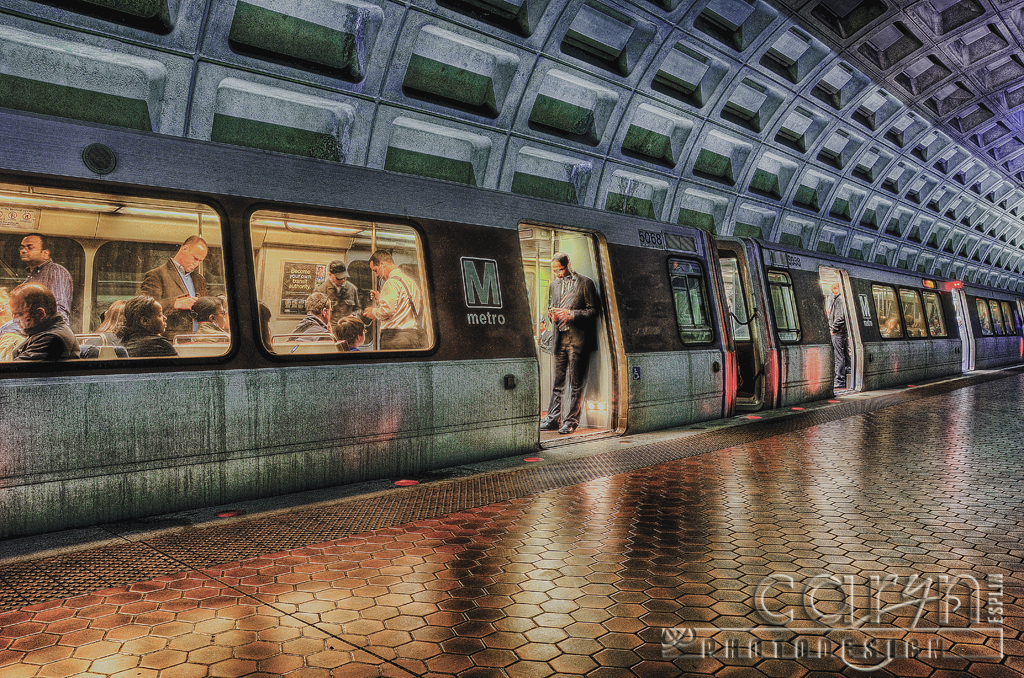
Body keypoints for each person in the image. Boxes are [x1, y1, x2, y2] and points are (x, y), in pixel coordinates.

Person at [540, 252, 600, 435]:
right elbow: (551, 309)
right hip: (560, 339)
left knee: (576, 384)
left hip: (578, 340)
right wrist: (552, 316)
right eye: (555, 271)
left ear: (569, 265)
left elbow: (593, 311)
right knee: (558, 383)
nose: (558, 273)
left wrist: (571, 315)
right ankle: (553, 418)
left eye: (560, 269)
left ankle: (571, 421)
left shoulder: (585, 283)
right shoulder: (553, 286)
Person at [139, 236, 208, 341]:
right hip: (171, 339)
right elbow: (144, 308)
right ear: (184, 249)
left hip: (199, 338)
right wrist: (174, 303)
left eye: (200, 261)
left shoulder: (198, 279)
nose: (197, 264)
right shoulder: (157, 275)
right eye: (195, 258)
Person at [363, 250, 424, 350]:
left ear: (382, 264)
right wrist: (381, 300)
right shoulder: (410, 282)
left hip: (394, 338)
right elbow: (404, 307)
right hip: (412, 336)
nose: (376, 275)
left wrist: (373, 312)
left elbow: (389, 310)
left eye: (375, 270)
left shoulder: (391, 283)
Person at [9, 283, 80, 361]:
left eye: (19, 314)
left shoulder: (51, 339)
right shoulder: (42, 332)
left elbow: (13, 370)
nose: (14, 320)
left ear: (40, 314)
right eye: (13, 314)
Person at [20, 234, 73, 324]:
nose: (23, 251)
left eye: (30, 247)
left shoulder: (56, 271)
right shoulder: (31, 278)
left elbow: (59, 309)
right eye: (22, 247)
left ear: (45, 253)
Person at [826, 283, 848, 390]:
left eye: (834, 288)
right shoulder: (837, 298)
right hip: (841, 332)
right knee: (844, 355)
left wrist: (832, 329)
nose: (832, 291)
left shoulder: (839, 299)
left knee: (839, 357)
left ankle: (840, 380)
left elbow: (840, 317)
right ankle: (845, 377)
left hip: (838, 332)